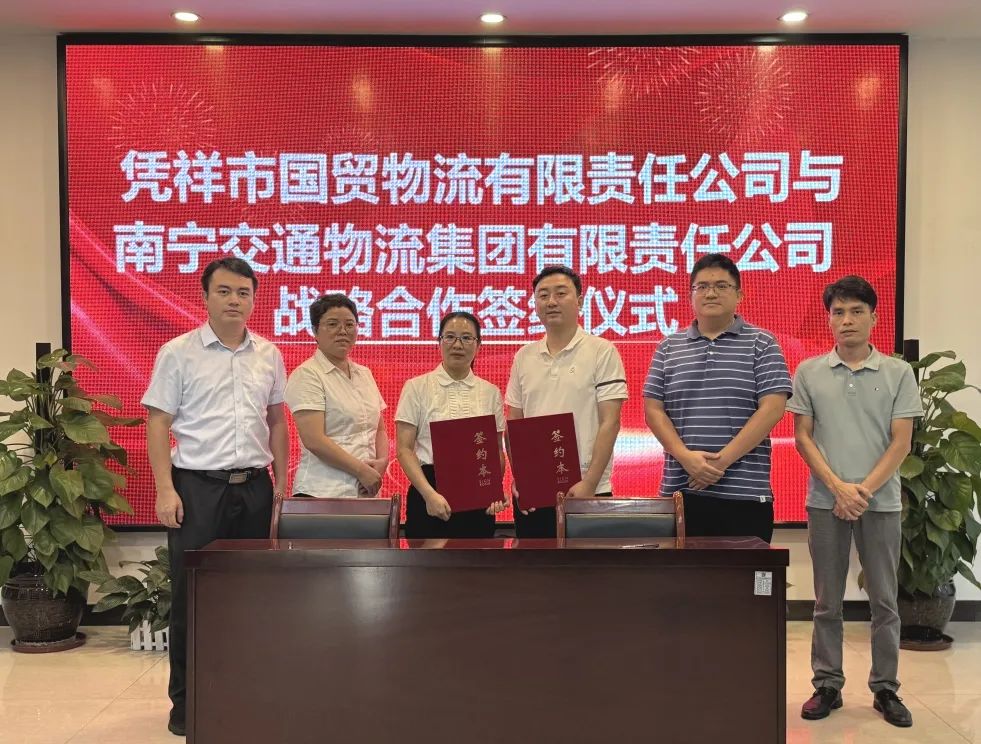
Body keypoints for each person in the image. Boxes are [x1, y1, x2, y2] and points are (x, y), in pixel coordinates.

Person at [142, 257, 289, 737]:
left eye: (243, 292)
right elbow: (158, 423)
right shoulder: (178, 353)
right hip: (197, 489)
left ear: (254, 300)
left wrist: (281, 484)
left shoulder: (268, 354)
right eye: (224, 291)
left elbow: (277, 421)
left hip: (255, 488)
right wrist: (165, 489)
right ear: (204, 297)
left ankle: (246, 697)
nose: (234, 300)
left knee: (253, 597)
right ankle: (186, 706)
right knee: (192, 599)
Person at [789, 276, 922, 728]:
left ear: (874, 318)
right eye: (838, 312)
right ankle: (827, 684)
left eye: (856, 311)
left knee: (884, 600)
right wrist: (837, 488)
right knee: (826, 601)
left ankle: (885, 688)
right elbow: (803, 438)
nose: (847, 320)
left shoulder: (898, 373)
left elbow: (901, 442)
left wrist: (860, 490)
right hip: (825, 502)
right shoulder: (809, 372)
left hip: (880, 504)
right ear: (829, 320)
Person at [643, 253, 791, 543]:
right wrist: (686, 458)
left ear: (739, 295)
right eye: (702, 286)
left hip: (745, 495)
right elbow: (653, 410)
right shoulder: (668, 347)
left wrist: (719, 463)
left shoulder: (762, 343)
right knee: (682, 573)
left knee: (747, 573)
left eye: (722, 286)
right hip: (681, 492)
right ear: (690, 295)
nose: (711, 293)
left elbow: (772, 409)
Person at [505, 265, 628, 538]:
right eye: (543, 295)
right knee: (534, 564)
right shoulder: (524, 357)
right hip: (535, 493)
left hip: (587, 488)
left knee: (586, 565)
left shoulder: (602, 351)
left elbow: (610, 422)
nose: (551, 302)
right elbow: (514, 423)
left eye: (561, 293)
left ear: (580, 301)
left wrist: (590, 483)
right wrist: (522, 478)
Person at [395, 311, 508, 538]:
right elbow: (404, 449)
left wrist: (492, 490)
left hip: (477, 494)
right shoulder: (416, 387)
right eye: (450, 337)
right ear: (439, 342)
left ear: (478, 345)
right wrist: (429, 494)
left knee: (476, 558)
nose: (458, 345)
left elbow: (496, 450)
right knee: (426, 560)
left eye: (466, 338)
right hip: (428, 491)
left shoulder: (490, 392)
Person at [284, 294, 388, 498]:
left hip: (365, 491)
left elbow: (379, 429)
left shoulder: (364, 374)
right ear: (315, 331)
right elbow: (314, 439)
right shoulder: (307, 374)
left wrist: (382, 462)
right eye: (332, 324)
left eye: (349, 324)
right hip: (322, 492)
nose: (342, 331)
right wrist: (361, 470)